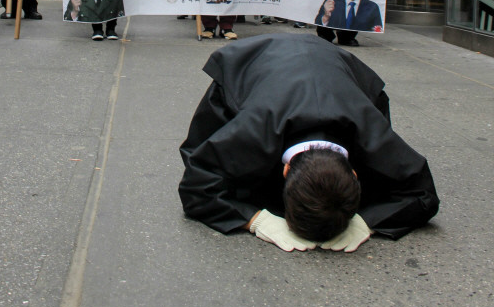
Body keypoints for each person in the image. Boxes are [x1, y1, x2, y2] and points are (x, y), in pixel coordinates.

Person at [179, 33, 439, 251]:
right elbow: (197, 181)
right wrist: (255, 220)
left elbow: (423, 193)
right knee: (228, 171)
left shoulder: (369, 126)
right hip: (255, 61)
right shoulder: (254, 126)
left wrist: (367, 221)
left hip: (333, 64)